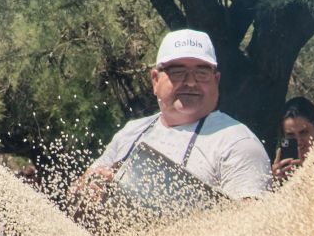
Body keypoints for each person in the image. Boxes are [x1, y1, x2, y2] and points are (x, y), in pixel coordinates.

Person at [83, 29, 274, 206]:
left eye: (202, 72)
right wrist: (88, 187)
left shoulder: (237, 143)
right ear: (155, 80)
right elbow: (81, 196)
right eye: (177, 72)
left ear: (216, 80)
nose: (191, 82)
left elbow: (251, 228)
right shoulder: (130, 133)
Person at [273, 96, 314, 182]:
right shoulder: (283, 168)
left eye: (304, 132)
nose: (299, 141)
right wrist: (276, 183)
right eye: (291, 136)